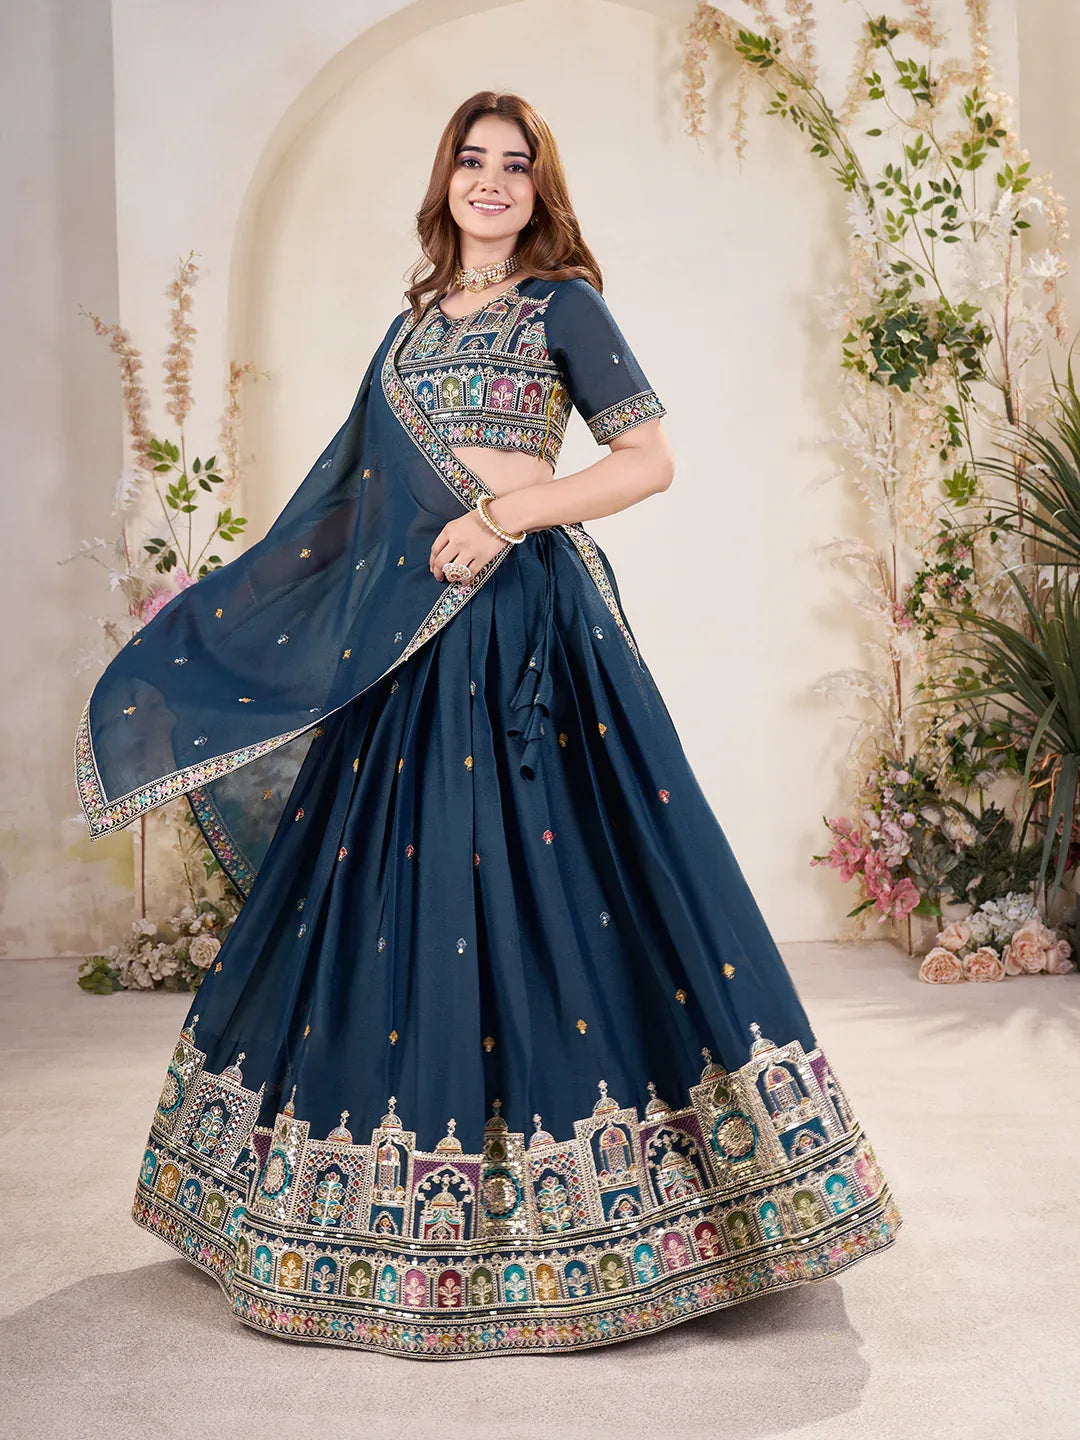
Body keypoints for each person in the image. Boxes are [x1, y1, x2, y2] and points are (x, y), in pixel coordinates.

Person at [77, 91, 901, 1360]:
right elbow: (348, 506)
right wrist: (237, 620)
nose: (492, 183)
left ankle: (657, 1216)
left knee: (572, 878)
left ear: (540, 188)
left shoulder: (562, 304)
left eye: (516, 166)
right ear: (444, 179)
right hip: (407, 634)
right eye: (473, 161)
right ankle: (357, 1217)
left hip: (524, 632)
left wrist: (510, 515)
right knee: (395, 891)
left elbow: (647, 463)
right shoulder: (408, 326)